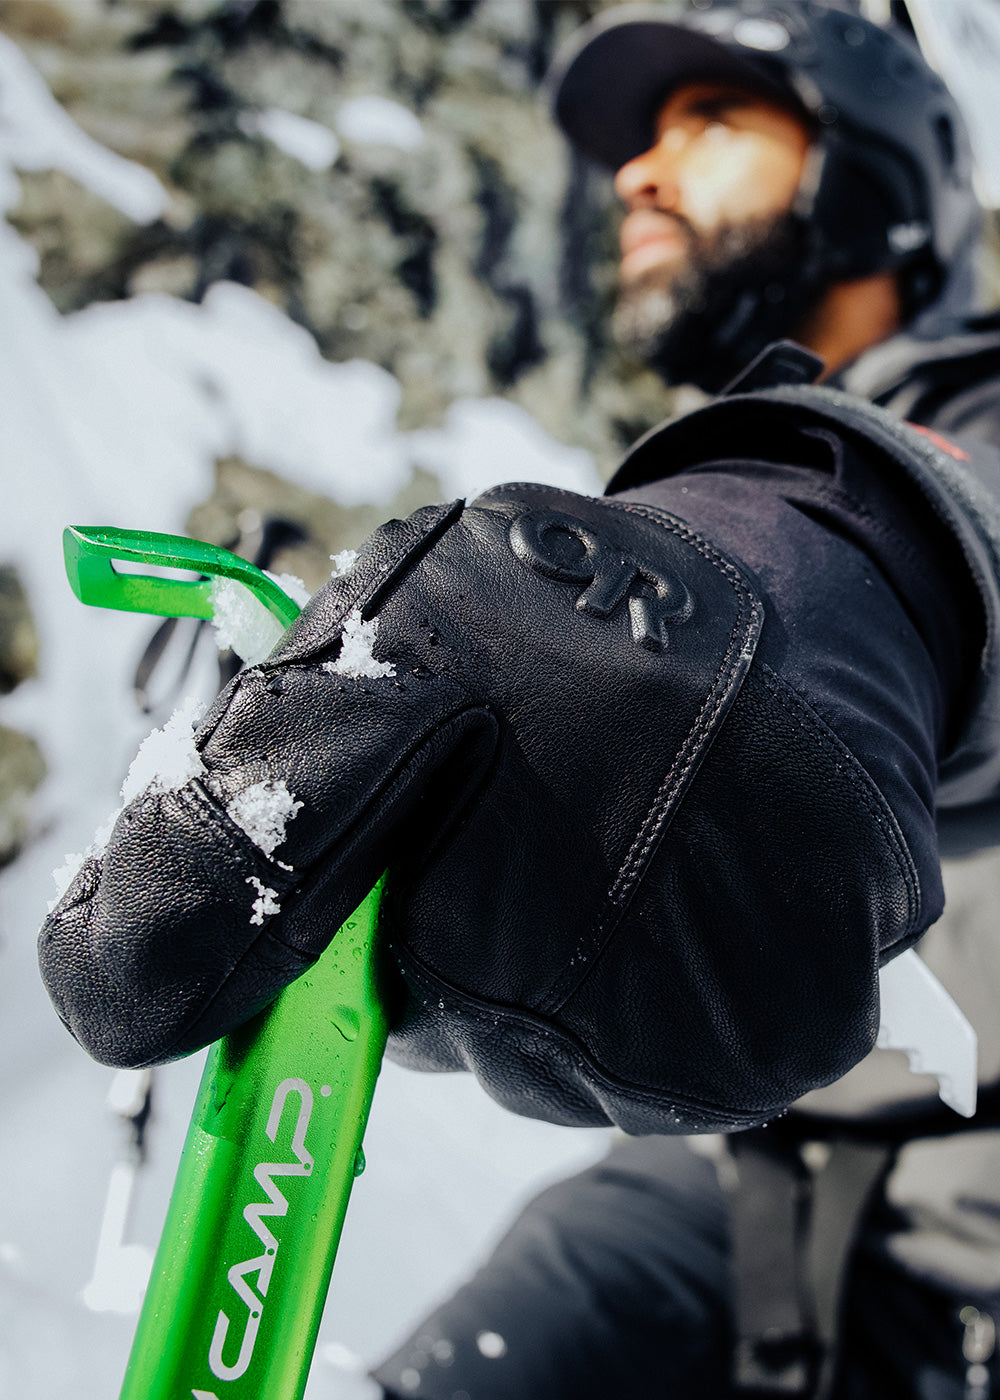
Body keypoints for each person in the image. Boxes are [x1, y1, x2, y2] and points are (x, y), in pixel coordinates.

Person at [37, 2, 1000, 1396]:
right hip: (722, 1216)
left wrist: (803, 583)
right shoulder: (714, 465)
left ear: (878, 171)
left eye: (714, 123)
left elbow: (920, 535)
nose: (640, 175)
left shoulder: (932, 454)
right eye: (637, 145)